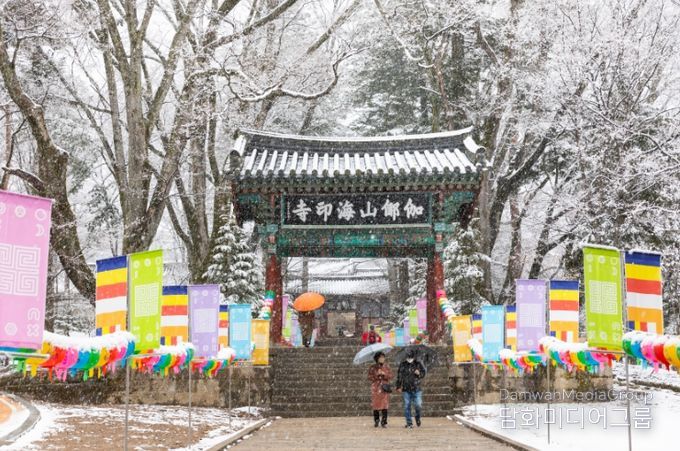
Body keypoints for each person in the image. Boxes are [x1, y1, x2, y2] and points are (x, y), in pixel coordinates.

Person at [395, 349, 427, 428]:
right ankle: (409, 422)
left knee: (418, 405)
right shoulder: (403, 365)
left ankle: (417, 416)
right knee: (407, 406)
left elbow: (423, 373)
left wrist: (419, 373)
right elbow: (399, 376)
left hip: (416, 388)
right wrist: (398, 386)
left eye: (411, 355)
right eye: (408, 355)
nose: (409, 357)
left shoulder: (418, 364)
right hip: (406, 388)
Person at [367, 351, 393, 428]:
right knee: (376, 405)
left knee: (385, 405)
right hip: (376, 388)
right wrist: (377, 375)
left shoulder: (386, 367)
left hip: (384, 387)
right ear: (377, 358)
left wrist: (384, 375)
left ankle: (384, 421)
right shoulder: (373, 367)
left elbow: (391, 375)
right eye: (381, 357)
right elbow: (369, 377)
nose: (382, 359)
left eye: (383, 357)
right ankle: (376, 420)